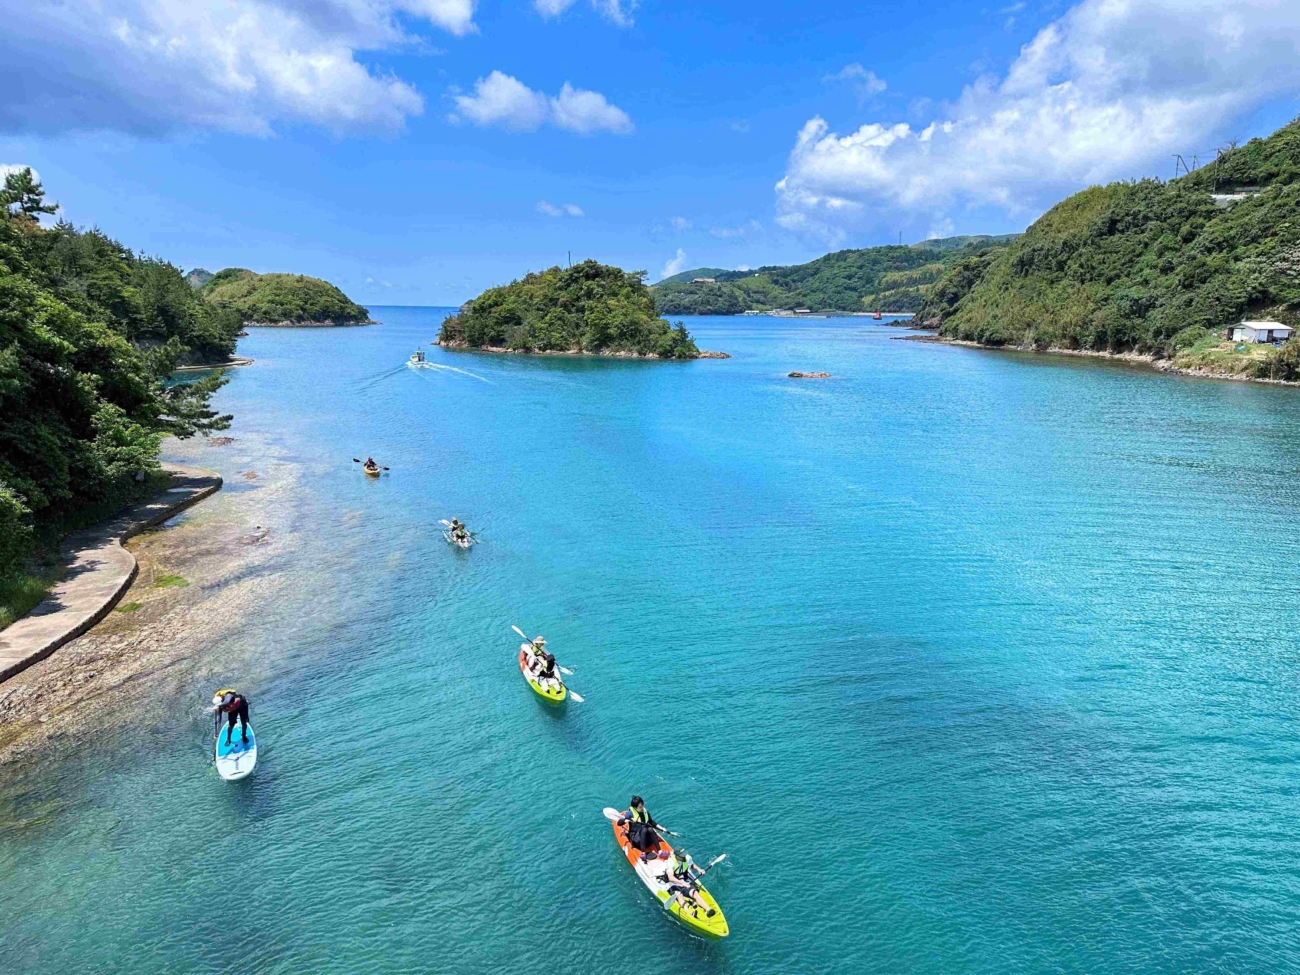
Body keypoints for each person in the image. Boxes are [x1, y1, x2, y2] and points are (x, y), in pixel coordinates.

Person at [659, 848, 715, 917]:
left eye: (684, 855)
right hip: (673, 884)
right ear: (676, 856)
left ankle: (708, 909)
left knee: (695, 893)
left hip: (685, 881)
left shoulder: (687, 857)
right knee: (679, 896)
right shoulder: (670, 862)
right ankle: (690, 913)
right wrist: (681, 883)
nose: (684, 857)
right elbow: (670, 877)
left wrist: (698, 869)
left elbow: (691, 865)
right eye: (682, 856)